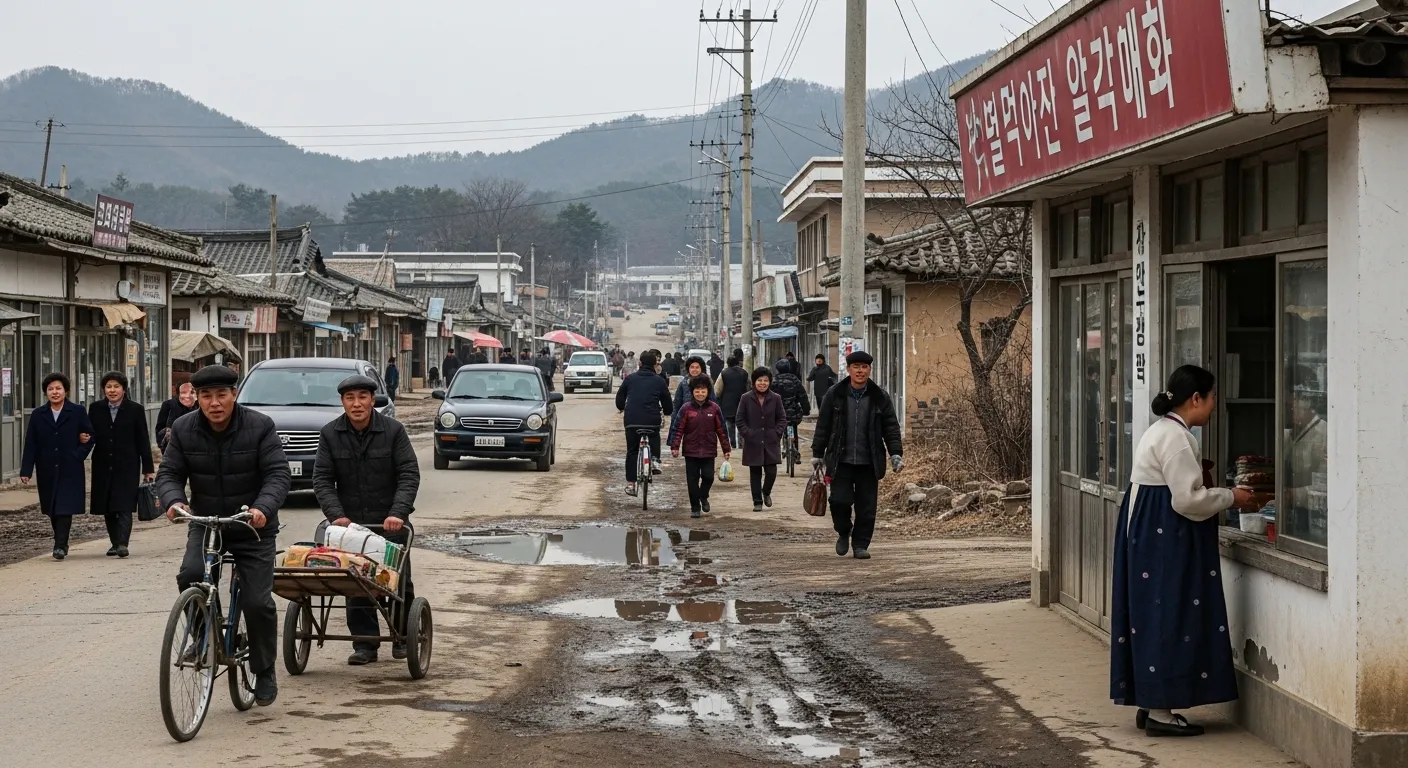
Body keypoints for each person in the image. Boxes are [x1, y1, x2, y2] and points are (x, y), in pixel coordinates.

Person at [1111, 365, 1253, 737]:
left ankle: (1154, 703)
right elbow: (1187, 499)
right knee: (1167, 611)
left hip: (1151, 529)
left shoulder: (1161, 431)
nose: (1213, 407)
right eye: (1211, 399)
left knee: (1156, 611)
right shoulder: (1174, 438)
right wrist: (1232, 497)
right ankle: (1159, 710)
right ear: (1196, 399)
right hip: (1165, 535)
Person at [157, 364, 290, 707]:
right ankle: (201, 636)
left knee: (257, 601)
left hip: (251, 524)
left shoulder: (260, 426)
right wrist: (173, 501)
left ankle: (264, 670)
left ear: (234, 395)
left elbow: (278, 474)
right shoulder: (184, 429)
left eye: (221, 395)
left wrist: (262, 508)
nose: (214, 403)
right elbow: (169, 473)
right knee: (190, 575)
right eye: (206, 396)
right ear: (196, 399)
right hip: (206, 520)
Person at [313, 374, 421, 665]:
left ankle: (402, 636)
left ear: (373, 400)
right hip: (351, 526)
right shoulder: (330, 433)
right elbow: (322, 479)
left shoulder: (393, 431)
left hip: (389, 521)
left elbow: (409, 474)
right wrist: (337, 517)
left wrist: (398, 513)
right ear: (343, 402)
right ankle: (365, 644)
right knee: (356, 582)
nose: (357, 404)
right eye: (350, 398)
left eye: (362, 397)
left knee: (397, 583)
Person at [812, 350, 904, 560]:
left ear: (869, 369)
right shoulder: (835, 394)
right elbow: (823, 426)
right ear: (849, 369)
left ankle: (861, 544)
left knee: (867, 508)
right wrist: (817, 454)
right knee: (838, 501)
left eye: (864, 367)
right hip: (841, 461)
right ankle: (844, 531)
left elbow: (891, 427)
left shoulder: (879, 396)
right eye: (856, 367)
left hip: (869, 461)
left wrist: (896, 453)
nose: (860, 371)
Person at [19, 373, 94, 560]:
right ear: (46, 392)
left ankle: (60, 545)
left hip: (70, 467)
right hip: (47, 468)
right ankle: (59, 539)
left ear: (65, 391)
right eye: (51, 389)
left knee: (64, 506)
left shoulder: (76, 411)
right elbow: (31, 444)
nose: (55, 392)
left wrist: (78, 455)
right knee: (52, 507)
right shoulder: (38, 415)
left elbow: (90, 436)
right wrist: (26, 470)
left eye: (58, 388)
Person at [87, 371, 154, 558]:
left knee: (124, 504)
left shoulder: (135, 409)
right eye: (108, 386)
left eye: (116, 386)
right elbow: (89, 433)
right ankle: (114, 543)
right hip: (102, 464)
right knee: (108, 505)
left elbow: (143, 440)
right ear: (103, 389)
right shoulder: (95, 408)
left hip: (127, 464)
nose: (112, 390)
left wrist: (148, 468)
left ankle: (123, 543)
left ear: (124, 389)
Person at [669, 376, 731, 519]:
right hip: (691, 451)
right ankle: (695, 507)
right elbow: (678, 428)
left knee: (708, 477)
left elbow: (721, 430)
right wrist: (675, 446)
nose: (700, 393)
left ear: (708, 391)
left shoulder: (714, 409)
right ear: (692, 392)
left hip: (709, 450)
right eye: (697, 391)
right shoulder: (686, 408)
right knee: (692, 480)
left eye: (703, 390)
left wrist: (726, 448)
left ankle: (703, 496)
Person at [614, 350, 673, 497]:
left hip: (632, 420)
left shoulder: (630, 379)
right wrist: (667, 411)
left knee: (632, 451)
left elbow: (619, 398)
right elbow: (667, 403)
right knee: (654, 435)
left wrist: (621, 407)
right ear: (654, 364)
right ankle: (654, 460)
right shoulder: (659, 380)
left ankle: (631, 484)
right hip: (652, 420)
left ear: (639, 363)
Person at [736, 367, 787, 512]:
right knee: (755, 472)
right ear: (754, 382)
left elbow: (782, 418)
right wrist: (748, 433)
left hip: (771, 440)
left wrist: (776, 433)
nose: (763, 383)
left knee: (771, 471)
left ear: (770, 382)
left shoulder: (775, 398)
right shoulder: (746, 398)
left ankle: (766, 492)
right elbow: (740, 419)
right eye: (759, 380)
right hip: (753, 440)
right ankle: (757, 501)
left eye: (766, 381)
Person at [667, 356, 715, 446]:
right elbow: (677, 406)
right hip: (688, 421)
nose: (694, 370)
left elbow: (713, 403)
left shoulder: (708, 382)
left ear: (702, 368)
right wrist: (672, 439)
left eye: (697, 367)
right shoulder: (684, 383)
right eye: (692, 367)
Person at [772, 359, 811, 463]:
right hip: (793, 412)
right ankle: (796, 453)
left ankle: (776, 453)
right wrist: (806, 410)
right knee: (793, 429)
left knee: (776, 431)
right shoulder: (795, 380)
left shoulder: (774, 381)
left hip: (777, 414)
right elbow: (803, 396)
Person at [714, 352, 749, 447]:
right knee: (742, 423)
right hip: (742, 402)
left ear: (728, 363)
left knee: (730, 424)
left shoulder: (724, 373)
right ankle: (741, 444)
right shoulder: (744, 373)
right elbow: (749, 387)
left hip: (727, 403)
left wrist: (717, 399)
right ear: (738, 363)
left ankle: (732, 443)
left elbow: (717, 390)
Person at [156, 381, 198, 452]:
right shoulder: (168, 405)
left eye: (191, 392)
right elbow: (160, 427)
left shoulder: (198, 406)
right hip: (173, 448)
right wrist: (163, 446)